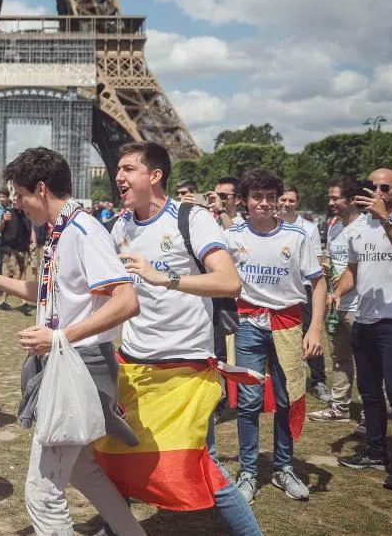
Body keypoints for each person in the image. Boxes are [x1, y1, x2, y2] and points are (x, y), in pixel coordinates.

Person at [0, 147, 145, 536]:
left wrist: (58, 337)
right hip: (73, 364)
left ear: (41, 189)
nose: (18, 205)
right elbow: (48, 293)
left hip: (80, 366)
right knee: (82, 470)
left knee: (42, 493)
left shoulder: (84, 231)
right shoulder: (62, 231)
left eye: (21, 195)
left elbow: (127, 301)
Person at [98, 141, 262, 534]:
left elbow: (229, 282)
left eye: (128, 169)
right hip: (135, 365)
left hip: (185, 368)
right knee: (116, 454)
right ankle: (115, 527)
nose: (119, 176)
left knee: (201, 464)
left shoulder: (192, 218)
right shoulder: (120, 226)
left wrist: (165, 278)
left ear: (155, 175)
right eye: (118, 169)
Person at [225, 168, 325, 504]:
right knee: (249, 401)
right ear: (245, 200)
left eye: (270, 197)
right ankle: (248, 472)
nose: (264, 204)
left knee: (286, 398)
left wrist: (315, 328)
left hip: (287, 324)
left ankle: (284, 467)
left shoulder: (297, 236)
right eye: (257, 197)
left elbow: (319, 283)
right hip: (247, 324)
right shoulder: (231, 236)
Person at [333, 168, 392, 492]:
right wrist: (338, 291)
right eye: (373, 186)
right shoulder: (357, 228)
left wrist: (385, 218)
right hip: (365, 319)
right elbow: (353, 270)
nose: (378, 192)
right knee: (369, 391)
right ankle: (374, 450)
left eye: (385, 187)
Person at [309, 178, 363, 428]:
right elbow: (332, 260)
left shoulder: (368, 227)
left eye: (335, 198)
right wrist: (324, 267)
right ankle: (340, 407)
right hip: (336, 304)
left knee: (367, 361)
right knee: (339, 359)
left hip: (361, 306)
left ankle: (370, 410)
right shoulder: (334, 227)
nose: (330, 202)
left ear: (351, 199)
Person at [278, 185, 330, 404]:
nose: (287, 204)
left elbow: (316, 262)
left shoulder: (308, 228)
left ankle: (318, 380)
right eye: (283, 199)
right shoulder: (269, 224)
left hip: (304, 289)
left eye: (291, 200)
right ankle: (277, 380)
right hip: (278, 290)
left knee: (310, 334)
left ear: (297, 202)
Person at [0, 195, 32, 313]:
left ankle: (2, 301)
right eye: (16, 200)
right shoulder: (8, 213)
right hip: (9, 250)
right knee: (16, 275)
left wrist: (31, 245)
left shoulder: (26, 215)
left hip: (22, 249)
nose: (18, 202)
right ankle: (24, 302)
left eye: (21, 200)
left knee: (16, 276)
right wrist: (3, 221)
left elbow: (29, 232)